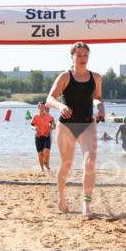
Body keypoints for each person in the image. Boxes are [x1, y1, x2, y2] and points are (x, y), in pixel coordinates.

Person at [46, 42, 105, 216]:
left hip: (88, 124)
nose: (82, 58)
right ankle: (62, 197)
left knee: (91, 162)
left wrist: (100, 106)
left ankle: (86, 205)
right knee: (66, 164)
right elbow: (50, 98)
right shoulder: (65, 76)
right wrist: (60, 107)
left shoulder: (96, 77)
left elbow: (97, 97)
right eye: (78, 55)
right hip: (66, 126)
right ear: (72, 57)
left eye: (85, 55)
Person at [30, 102, 56, 171]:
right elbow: (31, 126)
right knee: (40, 154)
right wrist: (35, 128)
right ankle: (42, 169)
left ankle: (45, 163)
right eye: (40, 107)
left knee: (46, 152)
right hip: (38, 137)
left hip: (46, 136)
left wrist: (51, 128)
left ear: (45, 108)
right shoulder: (35, 117)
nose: (42, 108)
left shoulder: (49, 117)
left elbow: (53, 125)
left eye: (43, 107)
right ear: (38, 107)